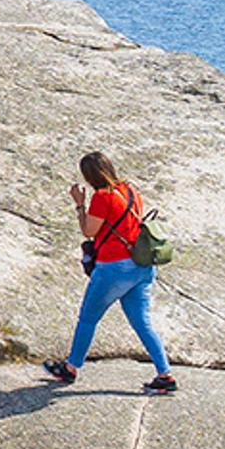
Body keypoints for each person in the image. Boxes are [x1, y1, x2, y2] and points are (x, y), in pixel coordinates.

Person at [47, 149, 178, 393]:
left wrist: (79, 205)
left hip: (114, 269)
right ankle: (165, 374)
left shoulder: (102, 197)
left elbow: (89, 230)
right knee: (142, 322)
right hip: (141, 266)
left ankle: (71, 368)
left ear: (89, 177)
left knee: (88, 318)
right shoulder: (131, 190)